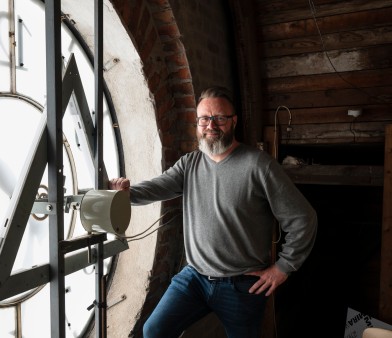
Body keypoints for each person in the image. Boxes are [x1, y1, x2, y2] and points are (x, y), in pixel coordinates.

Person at [108, 86, 318, 338]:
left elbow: (303, 218)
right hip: (194, 277)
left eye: (220, 118)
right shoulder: (190, 164)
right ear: (197, 122)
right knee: (154, 330)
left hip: (242, 285)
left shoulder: (259, 165)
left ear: (233, 121)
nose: (211, 125)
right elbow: (156, 188)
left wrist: (283, 267)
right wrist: (124, 195)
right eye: (204, 119)